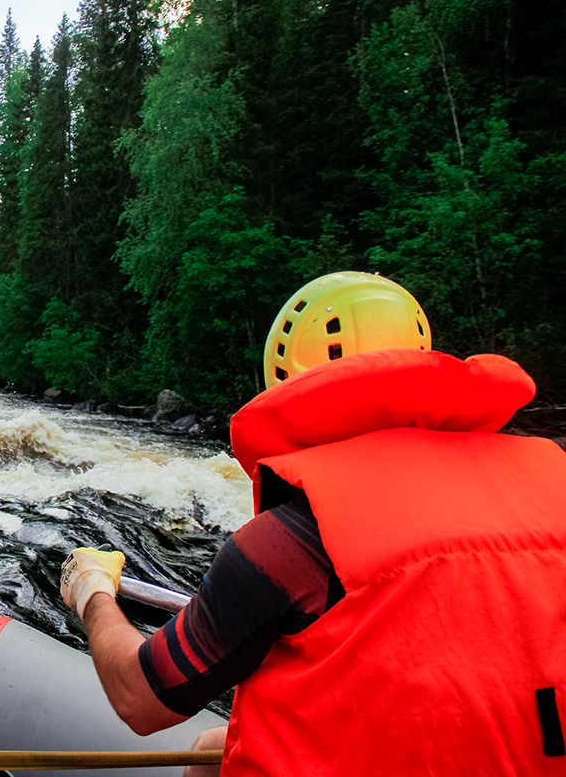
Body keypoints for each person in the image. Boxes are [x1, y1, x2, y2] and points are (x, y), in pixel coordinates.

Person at [61, 271, 566, 776]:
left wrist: (91, 591)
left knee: (206, 752)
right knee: (212, 748)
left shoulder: (290, 541)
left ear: (287, 379)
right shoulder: (552, 479)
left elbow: (140, 696)